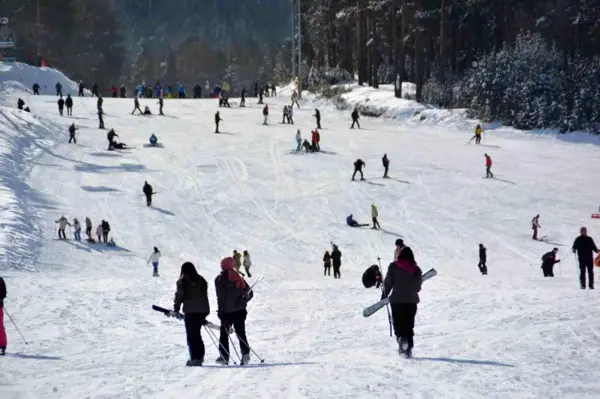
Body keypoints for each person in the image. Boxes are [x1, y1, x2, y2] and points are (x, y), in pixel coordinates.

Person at [382, 246, 422, 358]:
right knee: (409, 325)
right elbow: (418, 287)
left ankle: (400, 338)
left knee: (398, 323)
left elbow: (388, 283)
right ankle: (408, 348)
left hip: (397, 300)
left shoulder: (393, 266)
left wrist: (384, 294)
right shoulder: (416, 269)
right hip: (411, 301)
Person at [215, 257, 253, 365]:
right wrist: (244, 300)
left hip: (226, 313)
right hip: (240, 311)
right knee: (241, 333)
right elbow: (250, 293)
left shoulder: (219, 279)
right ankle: (245, 354)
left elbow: (220, 297)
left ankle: (224, 356)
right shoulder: (239, 277)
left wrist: (220, 311)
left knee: (224, 334)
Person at [173, 262, 210, 366]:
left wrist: (176, 308)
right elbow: (204, 296)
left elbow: (179, 296)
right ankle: (200, 356)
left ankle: (194, 358)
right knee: (197, 334)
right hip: (202, 311)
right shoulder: (201, 280)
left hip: (190, 312)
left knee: (191, 336)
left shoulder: (183, 281)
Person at [0, 276, 6, 355]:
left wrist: (0, 298)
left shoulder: (0, 280)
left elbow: (4, 292)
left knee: (0, 326)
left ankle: (2, 345)